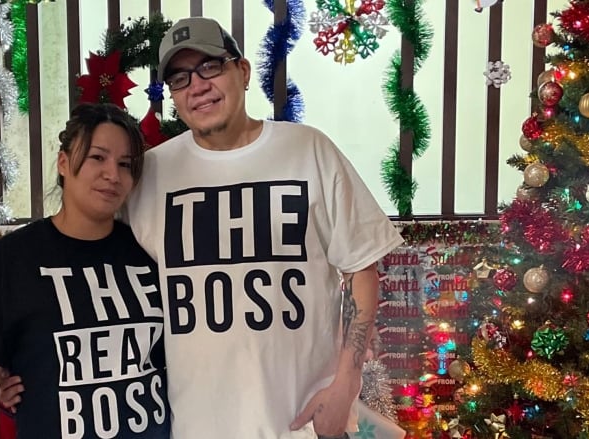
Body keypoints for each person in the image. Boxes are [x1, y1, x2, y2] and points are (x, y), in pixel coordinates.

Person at [125, 16, 404, 439]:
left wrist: (348, 384)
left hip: (303, 423)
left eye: (210, 66)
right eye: (180, 78)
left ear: (243, 71)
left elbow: (361, 268)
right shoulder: (151, 174)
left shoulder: (308, 150)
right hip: (196, 425)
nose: (197, 85)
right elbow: (89, 257)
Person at [0, 103, 169, 439]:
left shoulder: (148, 250)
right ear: (63, 162)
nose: (113, 175)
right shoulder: (15, 257)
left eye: (125, 164)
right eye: (97, 157)